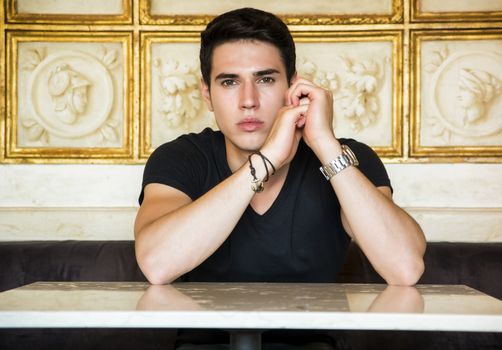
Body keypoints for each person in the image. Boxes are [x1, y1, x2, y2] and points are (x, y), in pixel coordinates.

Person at [135, 7, 426, 349]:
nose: (249, 101)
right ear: (206, 94)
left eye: (266, 79)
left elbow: (405, 268)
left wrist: (324, 143)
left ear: (293, 85)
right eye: (229, 82)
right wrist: (268, 160)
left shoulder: (344, 156)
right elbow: (157, 264)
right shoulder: (182, 157)